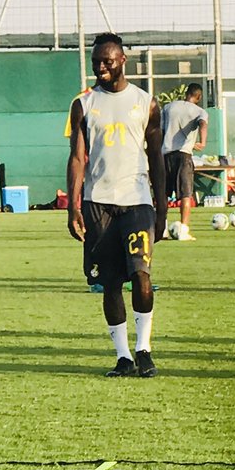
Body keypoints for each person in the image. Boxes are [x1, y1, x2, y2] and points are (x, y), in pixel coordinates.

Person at [66, 32, 166, 378]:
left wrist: (162, 208)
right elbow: (77, 158)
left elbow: (157, 157)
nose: (101, 67)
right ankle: (123, 356)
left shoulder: (146, 103)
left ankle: (144, 349)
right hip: (98, 204)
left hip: (137, 202)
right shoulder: (84, 103)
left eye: (107, 61)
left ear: (123, 60)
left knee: (142, 276)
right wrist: (73, 206)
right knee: (109, 283)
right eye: (96, 62)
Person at [160, 83, 208, 241]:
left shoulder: (168, 107)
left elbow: (159, 130)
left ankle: (162, 230)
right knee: (186, 194)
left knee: (163, 195)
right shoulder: (199, 111)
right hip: (184, 155)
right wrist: (202, 141)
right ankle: (183, 230)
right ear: (198, 97)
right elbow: (203, 123)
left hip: (165, 154)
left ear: (186, 93)